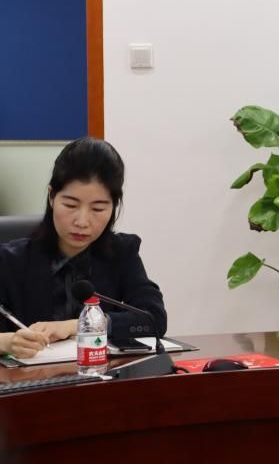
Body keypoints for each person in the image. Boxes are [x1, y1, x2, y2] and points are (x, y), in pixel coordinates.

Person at [0, 137, 167, 359]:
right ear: (51, 196)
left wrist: (78, 325)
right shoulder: (10, 260)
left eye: (98, 209)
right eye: (70, 205)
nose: (82, 221)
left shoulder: (122, 253)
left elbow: (154, 319)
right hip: (31, 378)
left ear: (113, 206)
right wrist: (6, 342)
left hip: (103, 376)